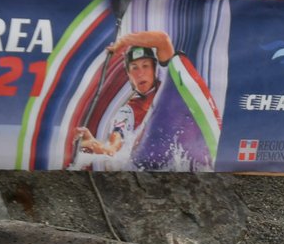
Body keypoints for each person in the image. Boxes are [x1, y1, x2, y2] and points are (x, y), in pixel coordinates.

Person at [74, 29, 220, 172]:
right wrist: (94, 145)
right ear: (129, 76)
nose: (140, 73)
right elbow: (113, 148)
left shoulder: (167, 87)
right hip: (146, 159)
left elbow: (162, 39)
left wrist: (124, 41)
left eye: (145, 66)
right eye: (134, 68)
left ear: (154, 69)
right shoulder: (127, 111)